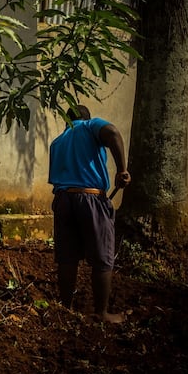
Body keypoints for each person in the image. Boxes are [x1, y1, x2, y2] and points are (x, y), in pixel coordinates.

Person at [48, 104, 131, 323]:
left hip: (63, 199)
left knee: (67, 257)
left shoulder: (57, 142)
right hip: (90, 198)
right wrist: (122, 170)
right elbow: (112, 132)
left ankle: (65, 308)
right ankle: (102, 312)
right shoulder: (89, 126)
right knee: (102, 256)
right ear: (86, 117)